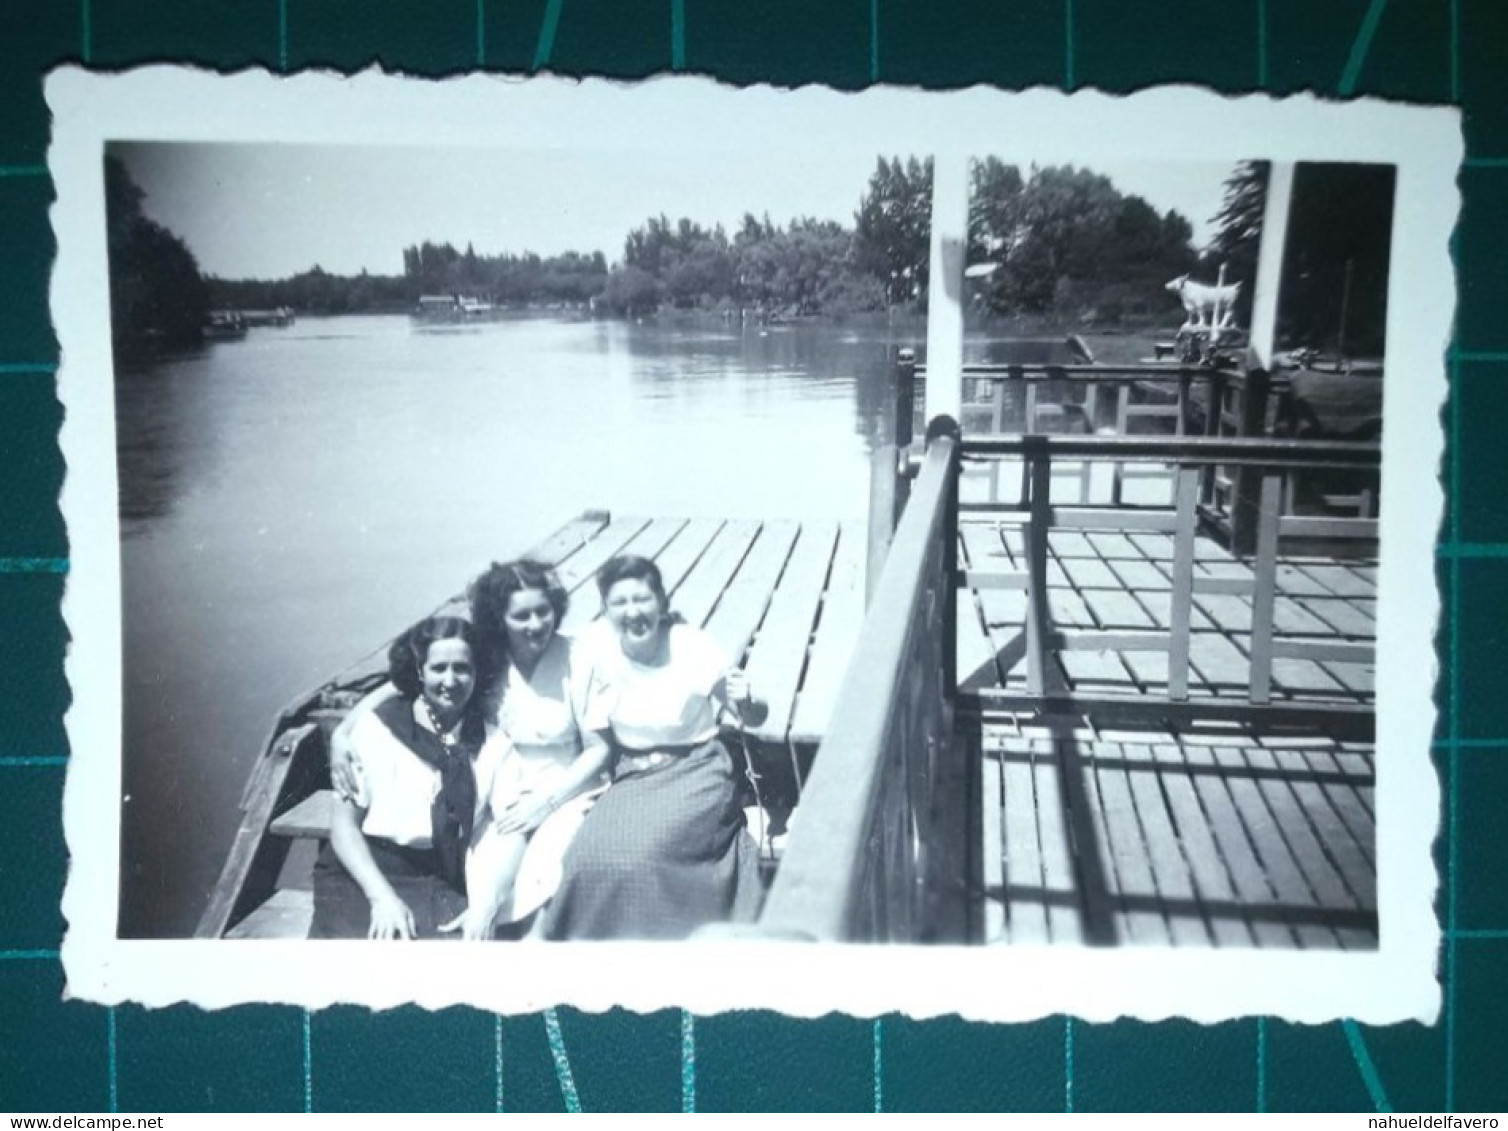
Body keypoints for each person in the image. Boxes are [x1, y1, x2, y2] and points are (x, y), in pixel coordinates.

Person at [328, 561, 611, 939]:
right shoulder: (486, 657)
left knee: (546, 866)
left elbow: (598, 749)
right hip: (487, 783)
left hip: (561, 787)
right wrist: (341, 734)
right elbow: (403, 685)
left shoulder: (577, 659)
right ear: (500, 618)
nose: (535, 624)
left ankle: (536, 949)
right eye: (521, 615)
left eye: (543, 611)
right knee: (481, 880)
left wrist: (546, 802)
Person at [543, 554, 766, 940]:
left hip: (699, 768)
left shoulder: (691, 645)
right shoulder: (597, 651)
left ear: (662, 603)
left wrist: (747, 700)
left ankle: (664, 945)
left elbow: (754, 717)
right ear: (606, 611)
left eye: (642, 599)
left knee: (643, 857)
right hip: (633, 773)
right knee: (584, 859)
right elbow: (596, 740)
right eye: (620, 603)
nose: (633, 612)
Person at [311, 616, 496, 939]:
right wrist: (381, 898)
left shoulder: (489, 737)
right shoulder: (377, 729)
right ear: (419, 671)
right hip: (365, 874)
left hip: (439, 875)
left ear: (477, 672)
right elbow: (343, 827)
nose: (450, 681)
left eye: (462, 668)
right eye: (439, 668)